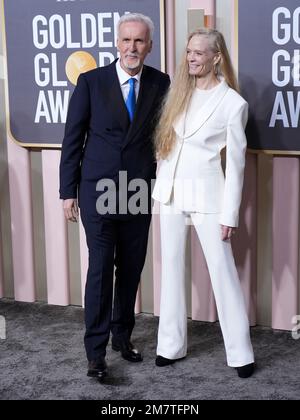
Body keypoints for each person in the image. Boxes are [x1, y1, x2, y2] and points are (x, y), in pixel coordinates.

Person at [59, 13, 170, 381]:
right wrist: (66, 192)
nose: (132, 48)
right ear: (116, 44)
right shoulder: (91, 82)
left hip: (137, 188)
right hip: (99, 190)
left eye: (139, 41)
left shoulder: (161, 82)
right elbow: (73, 140)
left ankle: (122, 337)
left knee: (131, 269)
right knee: (101, 268)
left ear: (149, 46)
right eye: (126, 41)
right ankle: (95, 352)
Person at [152, 29, 255, 379]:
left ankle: (241, 353)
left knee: (222, 272)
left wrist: (230, 214)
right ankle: (169, 346)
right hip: (169, 194)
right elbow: (168, 145)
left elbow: (237, 166)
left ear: (216, 57)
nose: (191, 58)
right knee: (171, 270)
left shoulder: (233, 104)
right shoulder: (177, 93)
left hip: (209, 196)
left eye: (199, 53)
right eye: (188, 52)